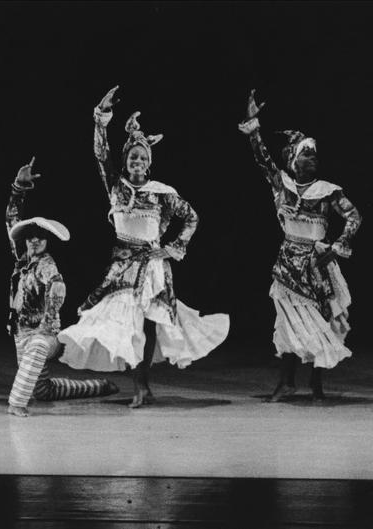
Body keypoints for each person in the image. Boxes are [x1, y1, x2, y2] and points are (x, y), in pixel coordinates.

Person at [58, 86, 229, 408]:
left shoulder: (162, 192)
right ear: (126, 161)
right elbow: (99, 153)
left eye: (143, 157)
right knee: (126, 321)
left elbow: (191, 217)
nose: (137, 161)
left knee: (148, 324)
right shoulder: (115, 185)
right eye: (133, 157)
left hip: (152, 266)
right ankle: (139, 385)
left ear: (149, 163)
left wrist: (173, 248)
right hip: (123, 264)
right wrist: (101, 118)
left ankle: (143, 386)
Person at [238, 89, 362, 402]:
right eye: (307, 153)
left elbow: (353, 216)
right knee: (287, 323)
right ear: (293, 158)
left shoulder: (327, 190)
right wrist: (253, 124)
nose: (313, 158)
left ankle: (316, 382)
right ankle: (287, 381)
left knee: (320, 321)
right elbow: (260, 157)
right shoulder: (282, 183)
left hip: (317, 264)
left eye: (315, 154)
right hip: (287, 263)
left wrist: (338, 245)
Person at [6, 157, 118, 418]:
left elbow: (57, 285)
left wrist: (48, 323)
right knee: (42, 390)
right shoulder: (21, 259)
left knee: (37, 348)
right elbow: (11, 219)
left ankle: (16, 403)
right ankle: (97, 386)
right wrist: (18, 188)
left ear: (46, 242)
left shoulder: (46, 264)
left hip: (44, 334)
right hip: (20, 332)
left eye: (40, 238)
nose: (34, 240)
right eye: (30, 237)